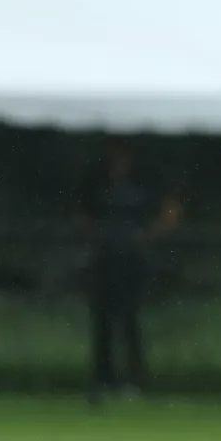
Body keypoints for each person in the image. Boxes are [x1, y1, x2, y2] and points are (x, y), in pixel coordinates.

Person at [77, 141, 179, 405]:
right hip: (103, 259)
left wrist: (148, 236)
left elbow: (169, 211)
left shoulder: (144, 183)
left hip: (132, 260)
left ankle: (134, 379)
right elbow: (81, 212)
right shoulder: (96, 182)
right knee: (101, 322)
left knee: (129, 320)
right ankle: (102, 378)